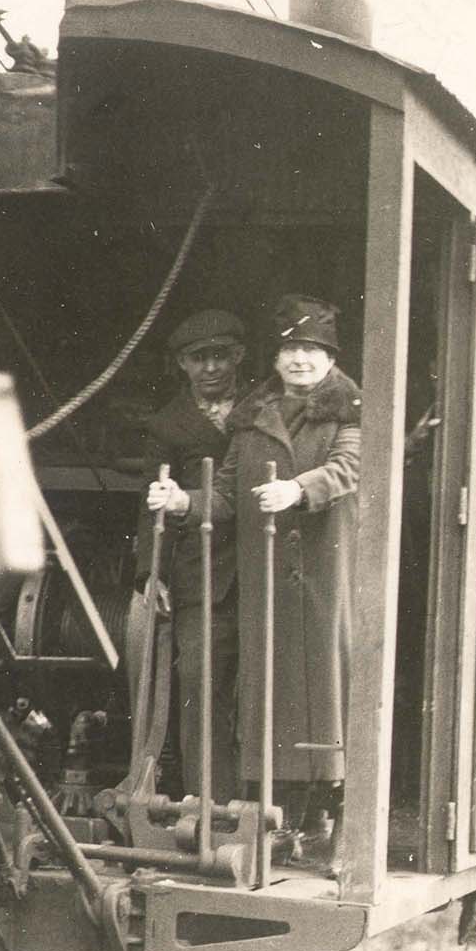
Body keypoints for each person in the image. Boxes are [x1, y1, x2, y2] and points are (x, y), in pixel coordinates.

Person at [148, 294, 361, 840]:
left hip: (316, 579)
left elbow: (348, 469)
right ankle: (262, 815)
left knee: (321, 697)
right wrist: (182, 503)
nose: (300, 361)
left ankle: (323, 813)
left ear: (331, 359)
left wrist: (298, 488)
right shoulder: (253, 420)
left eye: (312, 350)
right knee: (267, 700)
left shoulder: (350, 411)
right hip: (266, 576)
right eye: (291, 349)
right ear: (274, 360)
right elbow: (224, 493)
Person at [132, 308, 244, 803]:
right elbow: (150, 503)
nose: (212, 368)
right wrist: (150, 574)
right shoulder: (168, 427)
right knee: (200, 678)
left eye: (221, 355)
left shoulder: (266, 407)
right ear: (181, 365)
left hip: (269, 570)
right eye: (199, 359)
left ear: (239, 356)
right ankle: (212, 804)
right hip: (201, 574)